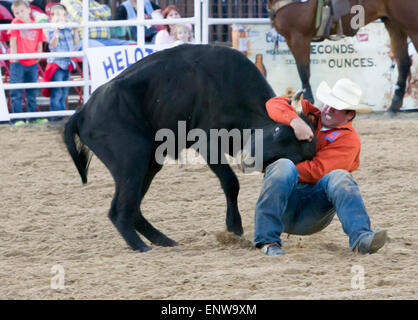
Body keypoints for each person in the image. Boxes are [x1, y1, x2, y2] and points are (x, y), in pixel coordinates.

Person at [253, 78, 388, 256]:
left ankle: (361, 238)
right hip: (286, 202)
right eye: (328, 103)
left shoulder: (349, 141)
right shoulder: (309, 112)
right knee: (285, 167)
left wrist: (275, 168)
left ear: (350, 115)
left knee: (338, 177)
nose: (329, 109)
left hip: (312, 210)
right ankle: (267, 242)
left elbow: (317, 171)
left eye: (336, 107)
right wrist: (295, 121)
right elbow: (274, 104)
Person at [7, 0, 47, 126]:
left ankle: (33, 116)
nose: (20, 14)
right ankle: (17, 118)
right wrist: (15, 56)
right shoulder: (15, 23)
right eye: (16, 12)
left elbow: (40, 41)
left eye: (22, 11)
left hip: (32, 62)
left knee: (32, 90)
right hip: (17, 62)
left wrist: (39, 53)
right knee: (16, 91)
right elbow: (12, 41)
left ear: (29, 10)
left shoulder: (36, 25)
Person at [42, 3, 78, 121]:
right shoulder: (51, 29)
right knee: (57, 92)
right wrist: (57, 31)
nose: (60, 18)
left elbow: (76, 44)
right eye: (56, 15)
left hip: (66, 64)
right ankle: (55, 117)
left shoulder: (68, 29)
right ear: (51, 17)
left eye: (62, 15)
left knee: (63, 92)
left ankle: (61, 116)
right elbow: (52, 45)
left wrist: (76, 31)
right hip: (56, 64)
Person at [61, 0, 135, 47]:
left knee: (133, 45)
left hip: (106, 40)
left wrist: (87, 12)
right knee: (101, 49)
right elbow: (80, 16)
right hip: (83, 40)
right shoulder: (67, 1)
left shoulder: (90, 1)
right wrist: (99, 16)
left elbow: (107, 11)